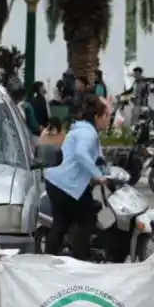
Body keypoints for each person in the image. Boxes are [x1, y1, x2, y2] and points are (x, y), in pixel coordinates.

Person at [42, 94, 110, 260]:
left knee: (60, 225)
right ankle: (80, 259)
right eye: (106, 116)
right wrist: (98, 176)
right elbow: (81, 153)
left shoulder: (83, 130)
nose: (108, 120)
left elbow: (98, 158)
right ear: (96, 116)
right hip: (67, 186)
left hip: (57, 184)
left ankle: (45, 262)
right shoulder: (88, 134)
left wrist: (105, 172)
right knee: (87, 219)